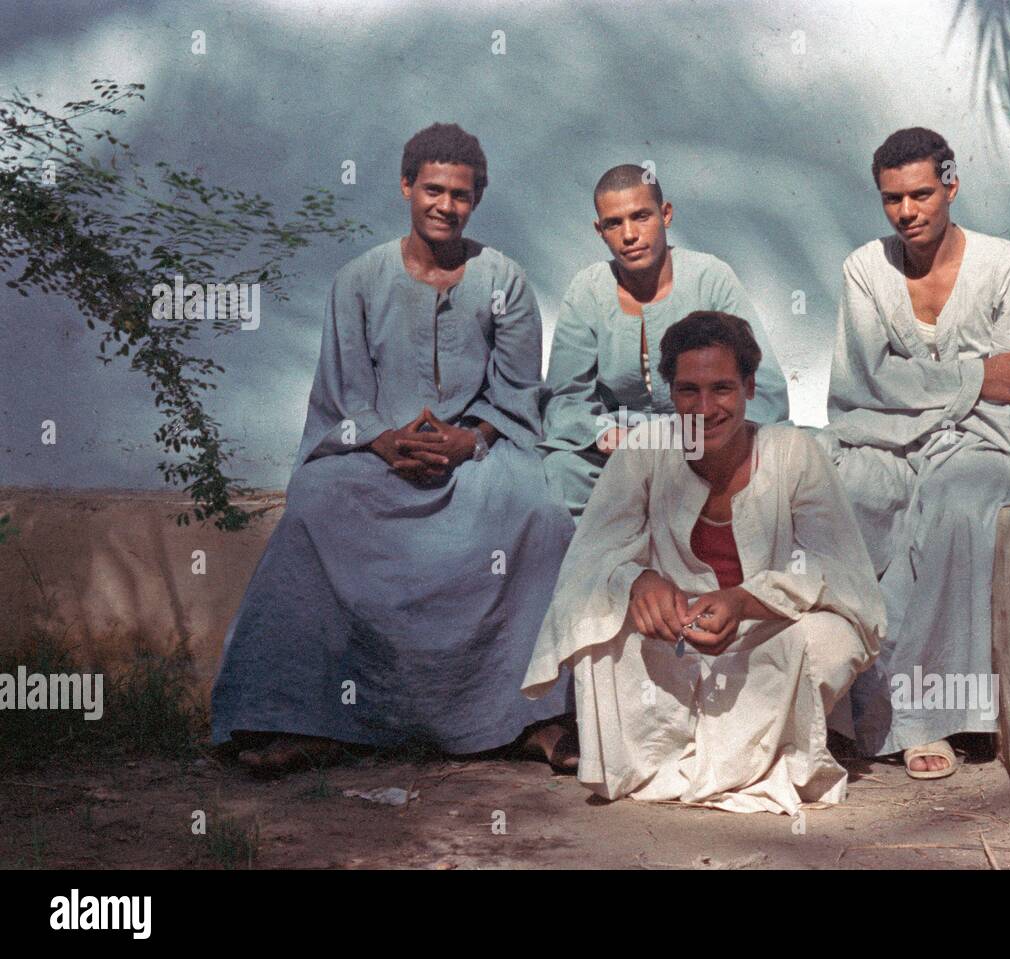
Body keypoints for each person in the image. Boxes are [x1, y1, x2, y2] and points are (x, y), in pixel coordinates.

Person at [211, 123, 578, 775]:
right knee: (315, 508)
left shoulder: (506, 281)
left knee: (541, 517)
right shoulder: (358, 280)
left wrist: (470, 437)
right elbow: (344, 393)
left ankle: (533, 717)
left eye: (460, 194)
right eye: (433, 189)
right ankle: (305, 719)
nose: (445, 204)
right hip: (379, 456)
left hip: (480, 458)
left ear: (476, 199)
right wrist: (386, 440)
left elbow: (519, 392)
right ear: (407, 186)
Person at [523, 311, 886, 814]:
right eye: (688, 390)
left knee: (829, 639)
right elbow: (588, 563)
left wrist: (746, 600)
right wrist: (637, 580)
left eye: (722, 389)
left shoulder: (794, 453)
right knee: (593, 622)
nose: (705, 408)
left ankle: (721, 753)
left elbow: (838, 571)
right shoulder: (645, 452)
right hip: (673, 646)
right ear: (669, 394)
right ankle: (696, 755)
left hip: (766, 638)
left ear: (750, 387)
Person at [818, 127, 1010, 779]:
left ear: (951, 186)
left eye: (921, 194)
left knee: (953, 500)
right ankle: (821, 699)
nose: (907, 211)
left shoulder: (1004, 267)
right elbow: (867, 381)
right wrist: (970, 376)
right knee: (841, 489)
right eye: (892, 199)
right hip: (885, 432)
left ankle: (922, 717)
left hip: (987, 440)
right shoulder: (864, 270)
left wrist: (942, 392)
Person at [539, 165, 790, 517]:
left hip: (707, 439)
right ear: (600, 230)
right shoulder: (588, 290)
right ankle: (610, 568)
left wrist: (691, 436)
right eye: (614, 223)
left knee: (801, 456)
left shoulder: (710, 278)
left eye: (641, 216)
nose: (629, 234)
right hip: (622, 449)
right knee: (561, 471)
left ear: (666, 214)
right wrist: (603, 433)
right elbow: (564, 398)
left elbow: (765, 389)